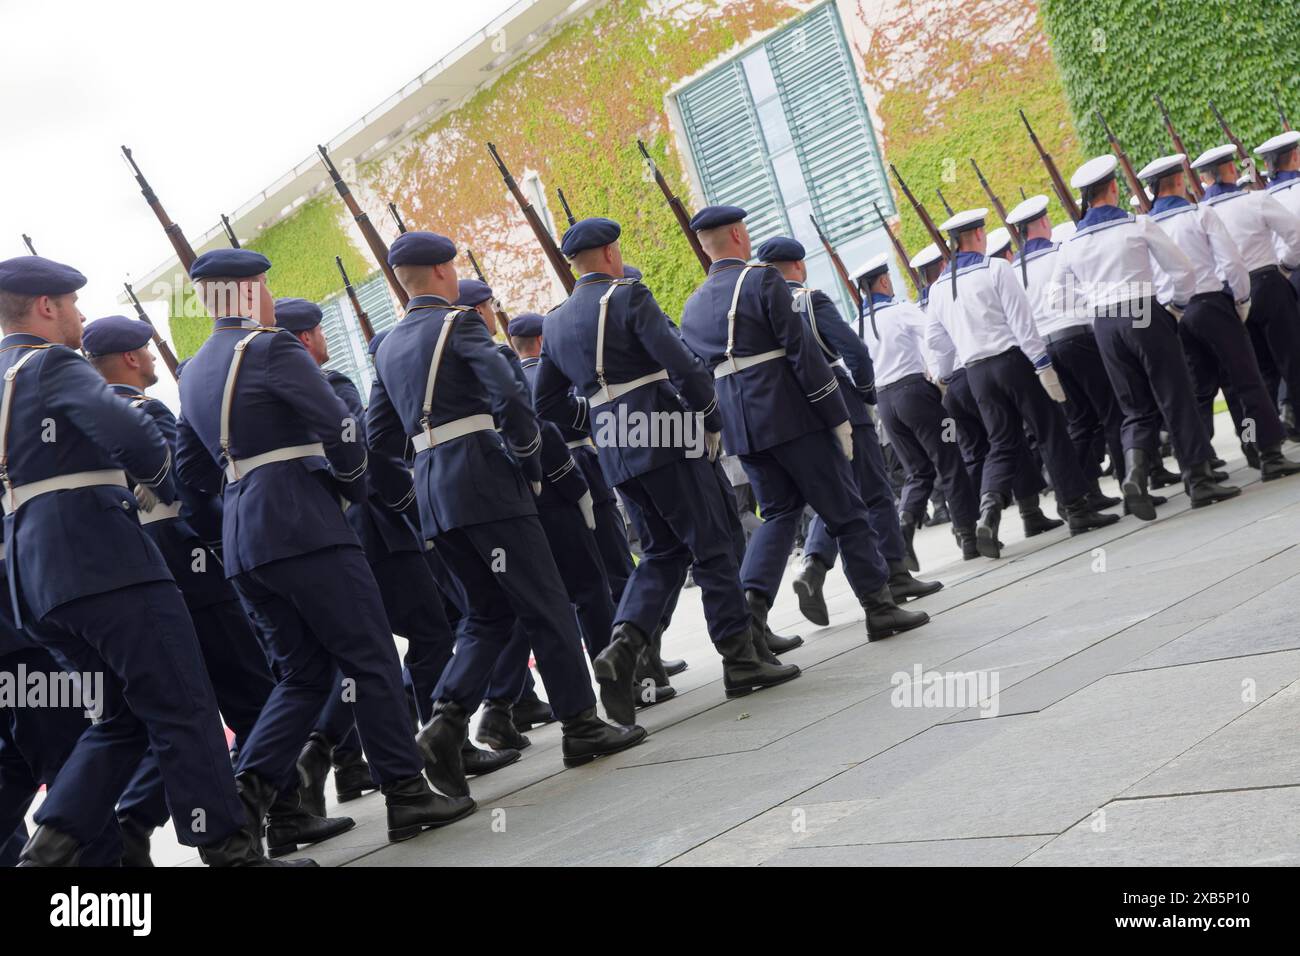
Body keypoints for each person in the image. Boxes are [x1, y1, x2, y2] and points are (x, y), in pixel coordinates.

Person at [175, 248, 474, 843]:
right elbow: (339, 424)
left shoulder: (195, 371)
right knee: (369, 658)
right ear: (247, 290)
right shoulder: (270, 347)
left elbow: (190, 475)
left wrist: (241, 512)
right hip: (304, 526)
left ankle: (248, 793)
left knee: (303, 676)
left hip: (246, 541)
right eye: (262, 284)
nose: (266, 294)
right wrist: (353, 483)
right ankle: (407, 794)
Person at [0, 254, 280, 866]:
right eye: (71, 303)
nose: (78, 315)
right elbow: (133, 438)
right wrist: (166, 482)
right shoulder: (51, 363)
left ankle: (47, 853)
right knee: (183, 702)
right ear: (46, 307)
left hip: (36, 581)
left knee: (121, 718)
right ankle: (231, 852)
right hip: (104, 565)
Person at [365, 231, 643, 794]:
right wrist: (526, 458)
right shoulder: (460, 324)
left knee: (488, 615)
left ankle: (444, 719)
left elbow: (377, 439)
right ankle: (581, 725)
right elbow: (512, 399)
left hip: (436, 498)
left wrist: (416, 487)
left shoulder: (387, 346)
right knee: (546, 604)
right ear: (444, 272)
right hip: (488, 486)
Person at [81, 314, 348, 863]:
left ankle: (136, 822)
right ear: (131, 358)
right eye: (148, 351)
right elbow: (190, 489)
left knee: (181, 710)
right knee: (251, 693)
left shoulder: (85, 424)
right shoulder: (144, 411)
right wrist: (222, 539)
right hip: (193, 568)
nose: (154, 359)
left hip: (143, 575)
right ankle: (283, 812)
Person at [678, 207, 928, 641]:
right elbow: (802, 355)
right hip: (792, 419)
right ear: (739, 234)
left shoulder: (693, 306)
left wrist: (718, 425)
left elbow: (697, 375)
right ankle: (879, 607)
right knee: (847, 511)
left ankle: (752, 615)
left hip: (743, 429)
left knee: (776, 515)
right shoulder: (762, 281)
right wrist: (837, 417)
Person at [753, 236, 941, 628]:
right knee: (874, 491)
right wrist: (866, 394)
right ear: (799, 266)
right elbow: (854, 351)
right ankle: (895, 574)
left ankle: (813, 568)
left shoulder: (759, 308)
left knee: (836, 496)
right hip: (840, 402)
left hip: (800, 413)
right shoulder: (808, 299)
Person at [925, 207, 1119, 556]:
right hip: (1011, 361)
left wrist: (943, 374)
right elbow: (1022, 322)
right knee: (1050, 432)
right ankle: (1077, 509)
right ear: (979, 235)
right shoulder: (996, 268)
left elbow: (937, 342)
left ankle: (989, 511)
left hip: (975, 371)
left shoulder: (938, 288)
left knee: (1002, 444)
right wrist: (1042, 365)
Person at [1051, 156, 1239, 514]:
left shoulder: (1072, 244)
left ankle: (1135, 474)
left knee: (1134, 408)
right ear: (1112, 189)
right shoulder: (1137, 225)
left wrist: (1097, 311)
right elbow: (1182, 269)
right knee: (1175, 395)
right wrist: (1178, 308)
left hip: (1106, 323)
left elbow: (1057, 299)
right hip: (1142, 311)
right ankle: (1199, 481)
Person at [1135, 154, 1300, 481]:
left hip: (1172, 313)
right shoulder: (1200, 214)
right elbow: (1232, 263)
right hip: (1210, 303)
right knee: (1246, 383)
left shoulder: (1143, 226)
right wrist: (1240, 300)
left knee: (1196, 392)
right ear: (1180, 181)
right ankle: (1262, 450)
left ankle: (1198, 463)